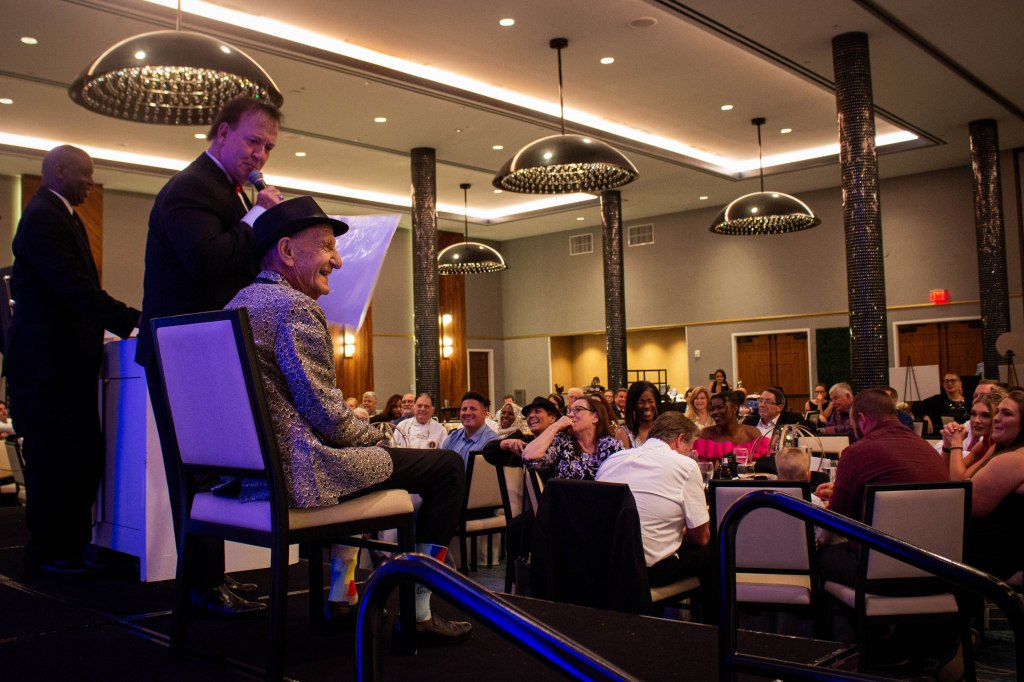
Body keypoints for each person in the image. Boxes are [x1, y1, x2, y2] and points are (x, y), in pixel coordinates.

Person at [226, 196, 471, 643]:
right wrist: (380, 435)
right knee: (448, 468)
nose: (337, 260)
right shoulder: (294, 308)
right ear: (286, 251)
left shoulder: (235, 304)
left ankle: (343, 594)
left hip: (246, 478)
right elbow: (330, 420)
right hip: (300, 475)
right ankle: (417, 611)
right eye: (325, 246)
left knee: (368, 463)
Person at [136, 96, 285, 615]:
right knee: (195, 470)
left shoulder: (230, 192)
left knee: (216, 467)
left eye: (268, 147)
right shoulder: (191, 188)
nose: (260, 155)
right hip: (182, 353)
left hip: (208, 350)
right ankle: (200, 585)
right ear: (222, 133)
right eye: (252, 141)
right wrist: (259, 219)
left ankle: (211, 578)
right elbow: (203, 260)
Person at [5, 145, 140, 574]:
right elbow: (73, 287)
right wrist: (133, 320)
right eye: (85, 174)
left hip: (62, 369)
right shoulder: (44, 217)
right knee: (54, 463)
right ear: (59, 171)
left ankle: (70, 545)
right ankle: (49, 552)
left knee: (77, 459)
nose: (90, 182)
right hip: (46, 369)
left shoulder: (64, 215)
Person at [814, 389, 948, 587]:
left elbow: (837, 518)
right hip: (939, 568)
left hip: (881, 570)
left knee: (813, 557)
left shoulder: (857, 453)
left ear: (861, 419)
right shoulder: (927, 449)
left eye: (853, 426)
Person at [596, 412, 712, 620]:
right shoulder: (685, 465)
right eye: (690, 447)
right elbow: (700, 537)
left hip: (604, 564)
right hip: (647, 571)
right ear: (680, 440)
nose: (689, 453)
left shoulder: (613, 460)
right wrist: (676, 532)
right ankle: (711, 628)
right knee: (716, 550)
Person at [942, 389, 1024, 582]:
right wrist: (948, 446)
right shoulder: (999, 449)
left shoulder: (1013, 459)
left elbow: (962, 501)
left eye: (1007, 413)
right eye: (998, 412)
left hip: (996, 562)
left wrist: (955, 444)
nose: (997, 418)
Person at [523, 394, 622, 480]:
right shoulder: (562, 441)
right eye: (569, 411)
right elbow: (528, 457)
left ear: (595, 417)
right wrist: (556, 426)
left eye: (577, 409)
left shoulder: (610, 445)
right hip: (566, 496)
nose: (570, 415)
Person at [692, 390, 767, 461]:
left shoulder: (751, 433)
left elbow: (764, 463)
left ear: (734, 408)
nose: (714, 412)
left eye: (720, 407)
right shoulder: (706, 434)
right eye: (712, 409)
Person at [441, 392, 498, 466]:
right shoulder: (452, 438)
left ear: (484, 413)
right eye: (464, 409)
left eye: (473, 409)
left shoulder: (492, 442)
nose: (467, 413)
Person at [913, 372, 969, 438]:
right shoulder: (938, 399)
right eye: (946, 381)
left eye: (953, 380)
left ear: (960, 383)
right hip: (941, 437)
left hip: (965, 437)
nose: (949, 383)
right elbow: (916, 407)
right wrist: (925, 416)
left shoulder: (969, 401)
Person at [615, 381, 661, 448]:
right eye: (641, 402)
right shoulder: (624, 432)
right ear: (633, 405)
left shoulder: (664, 431)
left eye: (650, 401)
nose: (647, 406)